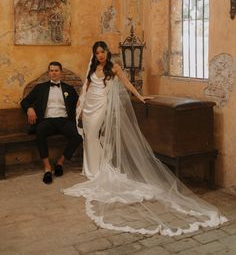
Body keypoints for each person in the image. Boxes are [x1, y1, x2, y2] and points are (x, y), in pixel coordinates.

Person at [63, 42, 227, 236]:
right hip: (89, 105)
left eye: (102, 51)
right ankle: (90, 169)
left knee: (93, 135)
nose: (99, 55)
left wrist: (140, 96)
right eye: (97, 52)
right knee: (89, 137)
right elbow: (86, 88)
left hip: (101, 106)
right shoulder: (92, 67)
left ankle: (97, 170)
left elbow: (127, 83)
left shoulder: (113, 68)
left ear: (107, 52)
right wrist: (80, 108)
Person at [21, 61, 82, 184]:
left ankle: (60, 162)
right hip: (47, 121)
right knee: (40, 131)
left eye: (56, 70)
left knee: (78, 135)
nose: (54, 73)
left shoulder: (69, 89)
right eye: (51, 70)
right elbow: (25, 101)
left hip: (64, 121)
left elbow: (79, 103)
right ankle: (47, 168)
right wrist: (29, 109)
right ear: (49, 73)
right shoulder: (40, 88)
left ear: (61, 73)